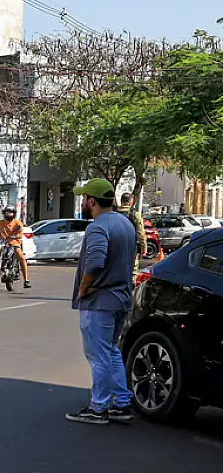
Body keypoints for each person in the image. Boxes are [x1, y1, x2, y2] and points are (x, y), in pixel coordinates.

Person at [66, 178, 137, 425]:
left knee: (98, 356)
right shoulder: (125, 224)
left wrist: (83, 289)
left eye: (84, 198)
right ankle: (121, 403)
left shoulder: (97, 228)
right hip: (121, 299)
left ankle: (98, 408)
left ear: (91, 201)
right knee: (111, 351)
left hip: (100, 301)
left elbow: (95, 262)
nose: (82, 201)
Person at [0, 205, 31, 289]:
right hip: (3, 243)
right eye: (7, 212)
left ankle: (26, 280)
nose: (9, 214)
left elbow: (20, 234)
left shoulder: (17, 223)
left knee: (22, 257)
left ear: (14, 214)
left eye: (11, 213)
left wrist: (15, 236)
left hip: (14, 243)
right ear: (4, 213)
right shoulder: (0, 222)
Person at [118, 192, 146, 275]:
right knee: (133, 270)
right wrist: (144, 246)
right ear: (130, 203)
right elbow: (140, 233)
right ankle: (131, 282)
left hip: (116, 245)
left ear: (121, 201)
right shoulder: (135, 215)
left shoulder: (113, 213)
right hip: (131, 246)